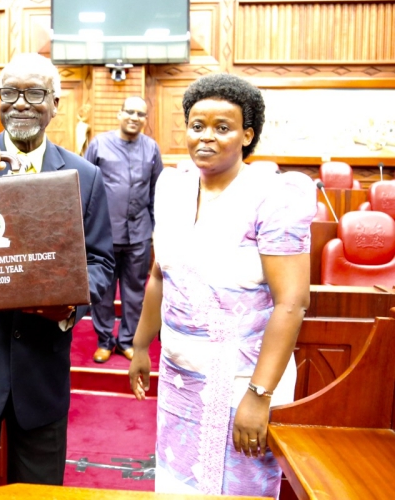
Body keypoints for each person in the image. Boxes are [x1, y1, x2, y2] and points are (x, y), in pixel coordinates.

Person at [0, 53, 115, 494]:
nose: (20, 104)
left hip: (41, 369)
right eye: (10, 93)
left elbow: (102, 262)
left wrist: (67, 300)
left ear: (55, 103)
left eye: (34, 93)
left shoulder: (84, 176)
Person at [128, 73, 315, 497]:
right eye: (197, 126)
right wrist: (141, 346)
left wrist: (259, 395)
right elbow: (161, 273)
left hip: (242, 379)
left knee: (235, 487)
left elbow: (292, 303)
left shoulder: (274, 196)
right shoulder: (171, 186)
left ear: (247, 134)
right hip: (179, 374)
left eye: (223, 127)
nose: (206, 138)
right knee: (179, 484)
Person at [84, 96, 162, 363]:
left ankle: (127, 341)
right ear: (119, 114)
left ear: (145, 120)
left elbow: (156, 193)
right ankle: (105, 341)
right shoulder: (99, 145)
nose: (134, 117)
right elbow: (85, 189)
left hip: (139, 235)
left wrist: (157, 232)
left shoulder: (151, 148)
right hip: (103, 235)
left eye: (141, 114)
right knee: (103, 292)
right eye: (129, 112)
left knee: (135, 292)